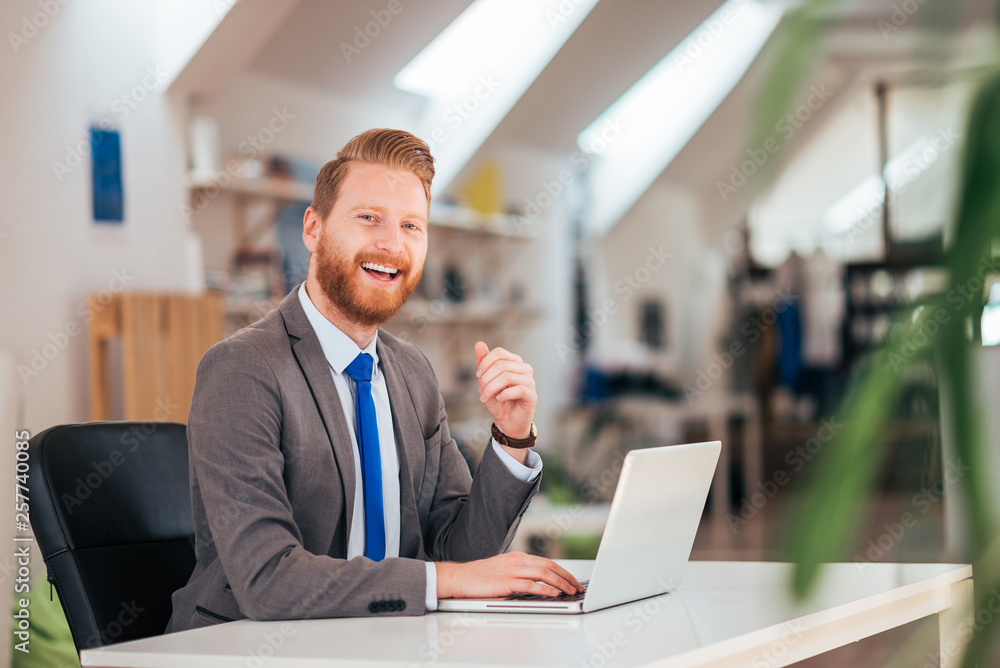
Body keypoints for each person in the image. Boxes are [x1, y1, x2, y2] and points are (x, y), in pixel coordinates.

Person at [167, 128, 582, 631]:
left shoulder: (413, 373)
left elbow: (461, 554)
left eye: (412, 225)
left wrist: (511, 435)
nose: (392, 245)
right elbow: (266, 578)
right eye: (369, 218)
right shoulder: (242, 369)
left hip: (385, 640)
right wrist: (440, 581)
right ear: (314, 229)